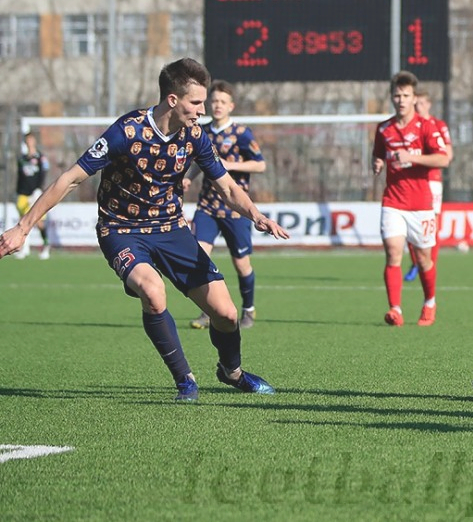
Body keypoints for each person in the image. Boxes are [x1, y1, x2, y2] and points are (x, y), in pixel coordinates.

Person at [0, 58, 289, 402]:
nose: (202, 110)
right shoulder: (126, 131)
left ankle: (232, 372)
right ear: (173, 100)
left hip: (172, 229)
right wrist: (23, 227)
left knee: (226, 314)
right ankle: (185, 381)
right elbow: (70, 179)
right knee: (153, 293)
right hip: (121, 230)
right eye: (196, 102)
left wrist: (256, 215)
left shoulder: (195, 136)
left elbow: (227, 186)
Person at [372, 71, 451, 327]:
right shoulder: (384, 128)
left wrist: (412, 157)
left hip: (421, 205)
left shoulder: (426, 126)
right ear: (391, 97)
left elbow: (443, 159)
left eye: (406, 95)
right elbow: (379, 154)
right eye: (397, 95)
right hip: (393, 202)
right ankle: (395, 309)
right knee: (393, 253)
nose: (401, 100)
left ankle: (430, 302)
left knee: (424, 258)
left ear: (414, 98)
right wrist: (377, 163)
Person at [187, 81, 267, 330]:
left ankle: (248, 310)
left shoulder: (242, 133)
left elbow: (260, 164)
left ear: (231, 106)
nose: (217, 105)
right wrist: (188, 177)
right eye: (214, 101)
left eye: (222, 101)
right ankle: (208, 310)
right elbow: (199, 162)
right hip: (207, 207)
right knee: (199, 258)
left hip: (235, 210)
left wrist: (229, 166)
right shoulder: (201, 131)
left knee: (241, 264)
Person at [404, 86, 453, 283]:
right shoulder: (409, 126)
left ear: (429, 104)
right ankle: (416, 262)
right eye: (416, 103)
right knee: (408, 225)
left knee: (432, 226)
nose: (419, 107)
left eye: (422, 103)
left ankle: (430, 264)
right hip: (411, 181)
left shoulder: (438, 125)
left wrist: (422, 158)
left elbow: (448, 154)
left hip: (432, 181)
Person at [14, 131, 52, 260]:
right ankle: (23, 248)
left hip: (35, 193)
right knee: (22, 222)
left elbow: (43, 174)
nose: (29, 142)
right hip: (23, 194)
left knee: (39, 222)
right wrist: (17, 191)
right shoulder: (22, 159)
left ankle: (46, 245)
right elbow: (20, 177)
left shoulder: (41, 158)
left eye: (31, 140)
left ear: (34, 141)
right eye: (27, 140)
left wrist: (39, 189)